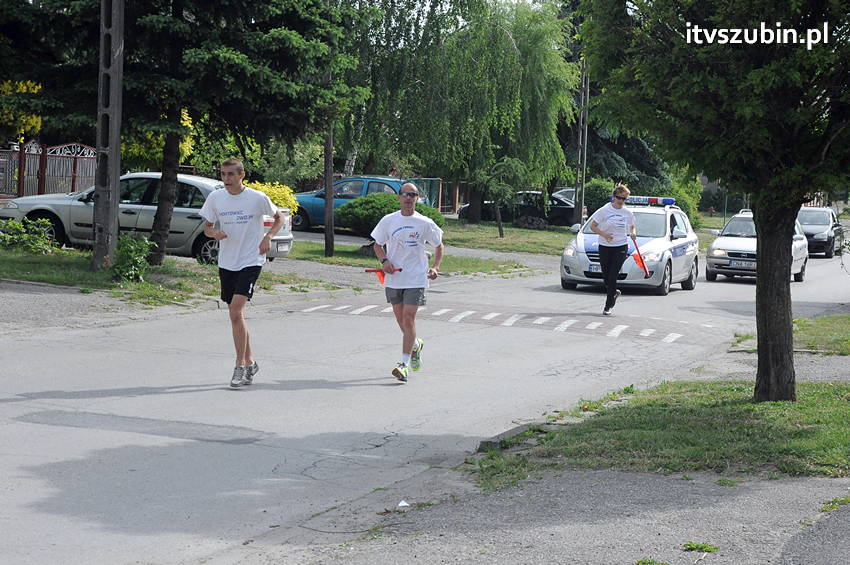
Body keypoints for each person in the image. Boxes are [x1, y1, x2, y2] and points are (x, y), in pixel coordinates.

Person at [200, 158, 285, 388]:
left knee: (236, 310)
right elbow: (207, 227)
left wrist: (268, 237)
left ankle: (239, 365)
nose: (226, 179)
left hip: (251, 259)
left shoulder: (257, 198)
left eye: (230, 174)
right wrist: (214, 233)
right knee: (236, 315)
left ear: (241, 175)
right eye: (223, 174)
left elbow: (279, 217)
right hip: (227, 261)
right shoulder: (215, 197)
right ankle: (250, 362)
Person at [371, 182, 444, 382]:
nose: (409, 198)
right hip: (394, 278)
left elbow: (439, 245)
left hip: (416, 277)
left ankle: (403, 365)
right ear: (399, 197)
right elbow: (377, 245)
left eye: (413, 195)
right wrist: (384, 261)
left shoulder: (424, 222)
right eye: (405, 194)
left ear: (417, 199)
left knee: (409, 318)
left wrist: (435, 267)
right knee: (401, 321)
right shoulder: (388, 220)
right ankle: (416, 344)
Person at [589, 183, 636, 316]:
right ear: (614, 197)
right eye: (619, 198)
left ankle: (608, 306)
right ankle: (614, 292)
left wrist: (633, 233)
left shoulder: (627, 213)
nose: (621, 201)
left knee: (613, 275)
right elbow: (593, 226)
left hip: (621, 246)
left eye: (624, 199)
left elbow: (632, 226)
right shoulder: (604, 210)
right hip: (604, 246)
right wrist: (604, 235)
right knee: (606, 276)